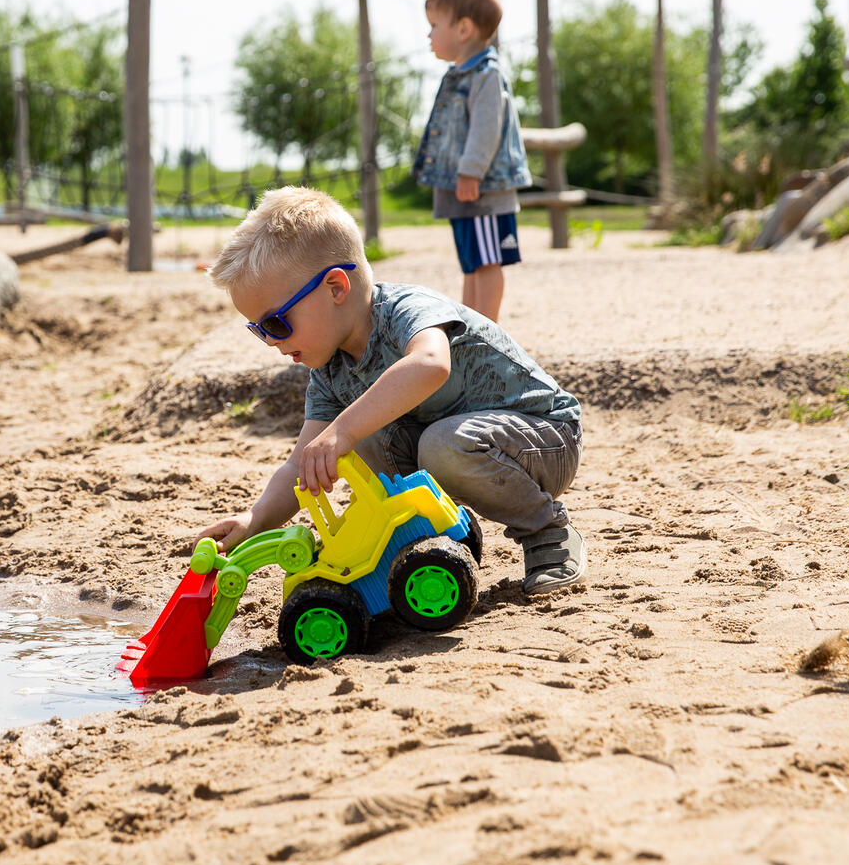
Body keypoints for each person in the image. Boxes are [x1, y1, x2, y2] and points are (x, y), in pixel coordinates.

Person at [195, 186, 585, 598]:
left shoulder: (405, 309)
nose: (270, 341)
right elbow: (299, 467)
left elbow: (431, 365)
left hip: (545, 439)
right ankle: (435, 533)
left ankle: (547, 531)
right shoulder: (331, 370)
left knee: (412, 440)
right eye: (258, 330)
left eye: (275, 323)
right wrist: (253, 520)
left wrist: (342, 429)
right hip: (472, 449)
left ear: (335, 288)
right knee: (360, 441)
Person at [412, 0, 531, 324]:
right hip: (464, 191)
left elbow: (486, 127)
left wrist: (470, 169)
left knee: (487, 259)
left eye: (434, 25)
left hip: (482, 189)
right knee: (472, 261)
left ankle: (487, 327)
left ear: (463, 30)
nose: (429, 35)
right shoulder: (458, 75)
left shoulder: (486, 76)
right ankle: (471, 322)